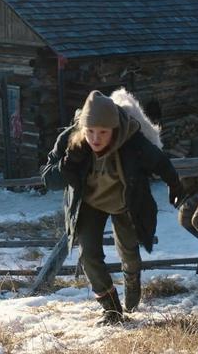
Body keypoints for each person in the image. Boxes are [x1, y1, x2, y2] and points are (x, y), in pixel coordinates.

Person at [41, 89, 182, 325]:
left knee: (129, 251)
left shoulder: (131, 139)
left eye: (102, 132)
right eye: (90, 132)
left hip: (125, 201)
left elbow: (160, 161)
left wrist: (175, 185)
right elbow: (47, 179)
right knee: (88, 256)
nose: (95, 138)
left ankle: (132, 280)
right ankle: (112, 310)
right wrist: (68, 163)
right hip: (89, 203)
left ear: (114, 130)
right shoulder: (70, 141)